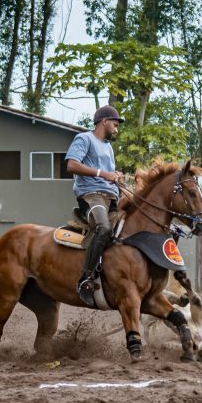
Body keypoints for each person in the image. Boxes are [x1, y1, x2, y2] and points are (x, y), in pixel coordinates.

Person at [65, 104, 124, 306]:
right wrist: (102, 173)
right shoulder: (84, 139)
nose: (117, 129)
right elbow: (72, 165)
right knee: (104, 228)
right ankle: (86, 279)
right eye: (115, 125)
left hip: (112, 197)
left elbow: (108, 173)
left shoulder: (108, 147)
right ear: (104, 122)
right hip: (91, 196)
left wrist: (116, 177)